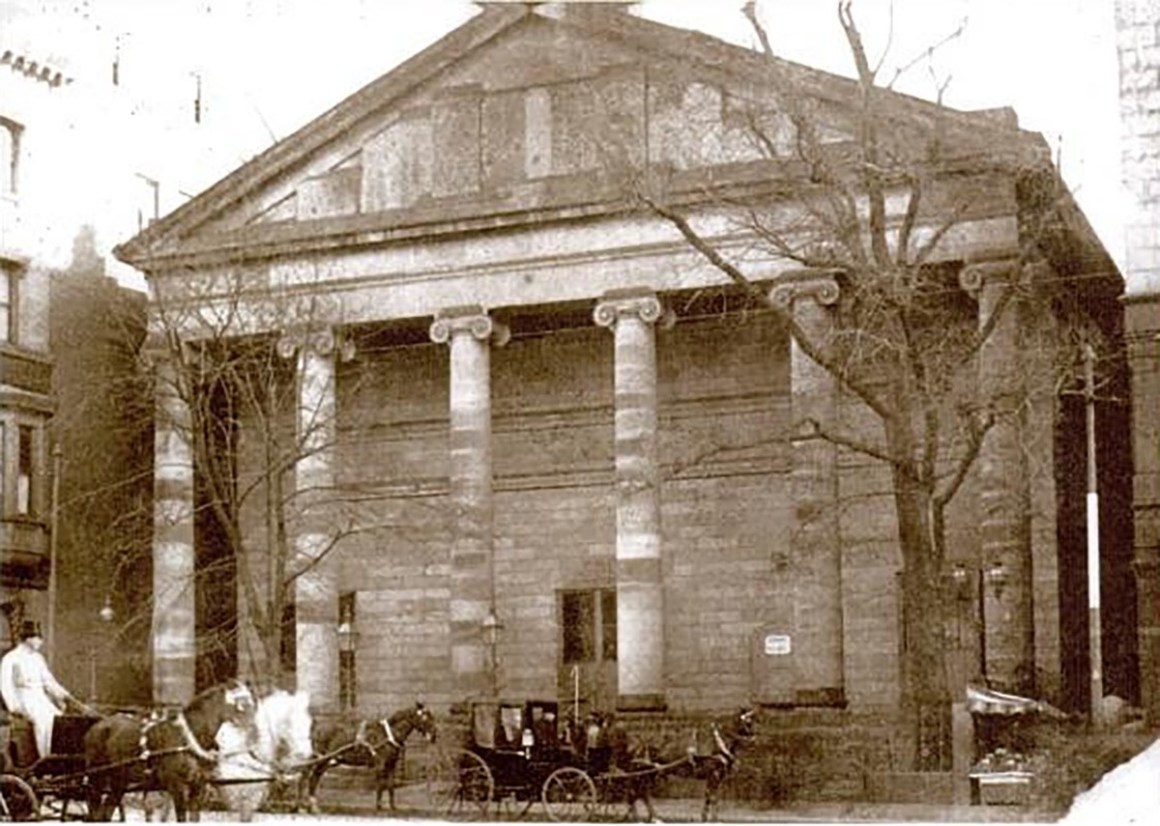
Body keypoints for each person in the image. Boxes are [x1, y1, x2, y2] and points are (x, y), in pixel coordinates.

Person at [0, 621, 74, 759]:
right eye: (38, 638)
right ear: (28, 639)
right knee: (43, 720)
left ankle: (57, 757)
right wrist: (15, 707)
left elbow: (49, 682)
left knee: (59, 718)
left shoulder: (38, 659)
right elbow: (6, 687)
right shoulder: (10, 659)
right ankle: (45, 757)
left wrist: (65, 695)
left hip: (40, 699)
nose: (40, 642)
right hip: (24, 700)